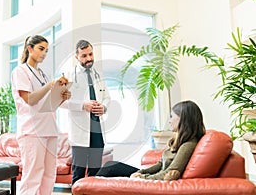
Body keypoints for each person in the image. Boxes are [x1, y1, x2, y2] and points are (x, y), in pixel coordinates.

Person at [11, 35, 71, 195]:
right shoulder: (20, 71)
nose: (44, 53)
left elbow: (47, 105)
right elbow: (29, 99)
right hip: (32, 131)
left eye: (46, 50)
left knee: (49, 176)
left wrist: (60, 97)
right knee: (33, 177)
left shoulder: (43, 75)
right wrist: (51, 85)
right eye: (41, 49)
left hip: (50, 130)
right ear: (30, 49)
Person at [95, 100, 206, 181]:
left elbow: (169, 172)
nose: (169, 121)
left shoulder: (188, 145)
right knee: (111, 166)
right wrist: (140, 172)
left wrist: (143, 178)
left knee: (109, 169)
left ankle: (87, 188)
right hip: (153, 176)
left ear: (183, 118)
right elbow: (160, 164)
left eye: (172, 116)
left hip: (154, 181)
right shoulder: (179, 141)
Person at [61, 39, 111, 185]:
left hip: (97, 130)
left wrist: (104, 107)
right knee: (78, 172)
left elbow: (107, 97)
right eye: (84, 56)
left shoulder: (98, 74)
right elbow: (61, 102)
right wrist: (83, 105)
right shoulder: (68, 75)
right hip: (79, 131)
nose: (88, 58)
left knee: (96, 173)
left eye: (90, 54)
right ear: (76, 57)